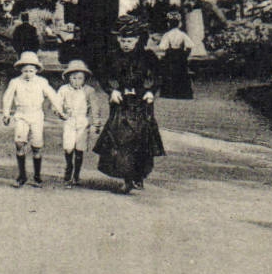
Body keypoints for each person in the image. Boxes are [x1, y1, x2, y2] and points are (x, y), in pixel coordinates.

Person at [93, 16, 166, 193]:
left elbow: (157, 75)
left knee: (142, 138)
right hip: (122, 103)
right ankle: (127, 178)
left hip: (142, 103)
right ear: (118, 39)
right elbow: (105, 76)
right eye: (123, 40)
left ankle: (139, 175)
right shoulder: (113, 57)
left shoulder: (147, 57)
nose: (126, 44)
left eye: (130, 40)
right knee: (122, 139)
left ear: (137, 40)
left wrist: (151, 91)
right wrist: (113, 90)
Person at [2, 52, 61, 187]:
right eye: (25, 71)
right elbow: (7, 98)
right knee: (19, 143)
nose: (28, 73)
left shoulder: (41, 82)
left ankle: (37, 175)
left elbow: (52, 95)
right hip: (21, 115)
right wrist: (6, 114)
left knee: (37, 145)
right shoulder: (15, 82)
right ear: (21, 69)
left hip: (36, 115)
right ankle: (22, 175)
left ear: (36, 70)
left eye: (31, 70)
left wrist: (59, 110)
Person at [56, 59, 98, 185]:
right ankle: (69, 167)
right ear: (68, 78)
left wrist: (96, 123)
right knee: (68, 147)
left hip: (82, 121)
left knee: (79, 149)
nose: (76, 81)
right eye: (73, 78)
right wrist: (61, 113)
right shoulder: (64, 89)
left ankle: (76, 174)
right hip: (69, 121)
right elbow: (56, 104)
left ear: (84, 79)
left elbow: (95, 107)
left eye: (80, 78)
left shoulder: (89, 91)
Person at [156, 14, 195, 99]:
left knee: (170, 73)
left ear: (168, 24)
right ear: (179, 24)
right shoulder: (182, 34)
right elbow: (190, 45)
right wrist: (186, 55)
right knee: (182, 74)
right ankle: (182, 94)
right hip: (181, 55)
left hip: (170, 55)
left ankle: (169, 94)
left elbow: (162, 47)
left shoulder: (167, 35)